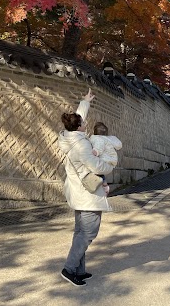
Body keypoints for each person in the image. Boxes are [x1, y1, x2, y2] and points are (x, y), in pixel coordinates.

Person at [58, 108, 114, 287]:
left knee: (80, 233)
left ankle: (78, 270)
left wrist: (85, 103)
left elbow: (77, 116)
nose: (86, 123)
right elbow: (97, 166)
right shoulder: (82, 144)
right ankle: (69, 268)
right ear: (79, 126)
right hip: (88, 195)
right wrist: (109, 165)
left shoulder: (68, 137)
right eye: (83, 122)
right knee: (89, 233)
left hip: (78, 192)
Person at [77, 90, 122, 194]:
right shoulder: (109, 139)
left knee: (95, 169)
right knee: (98, 171)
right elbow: (117, 146)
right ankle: (103, 185)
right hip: (111, 161)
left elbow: (99, 147)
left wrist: (94, 152)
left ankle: (103, 185)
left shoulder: (98, 139)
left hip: (103, 160)